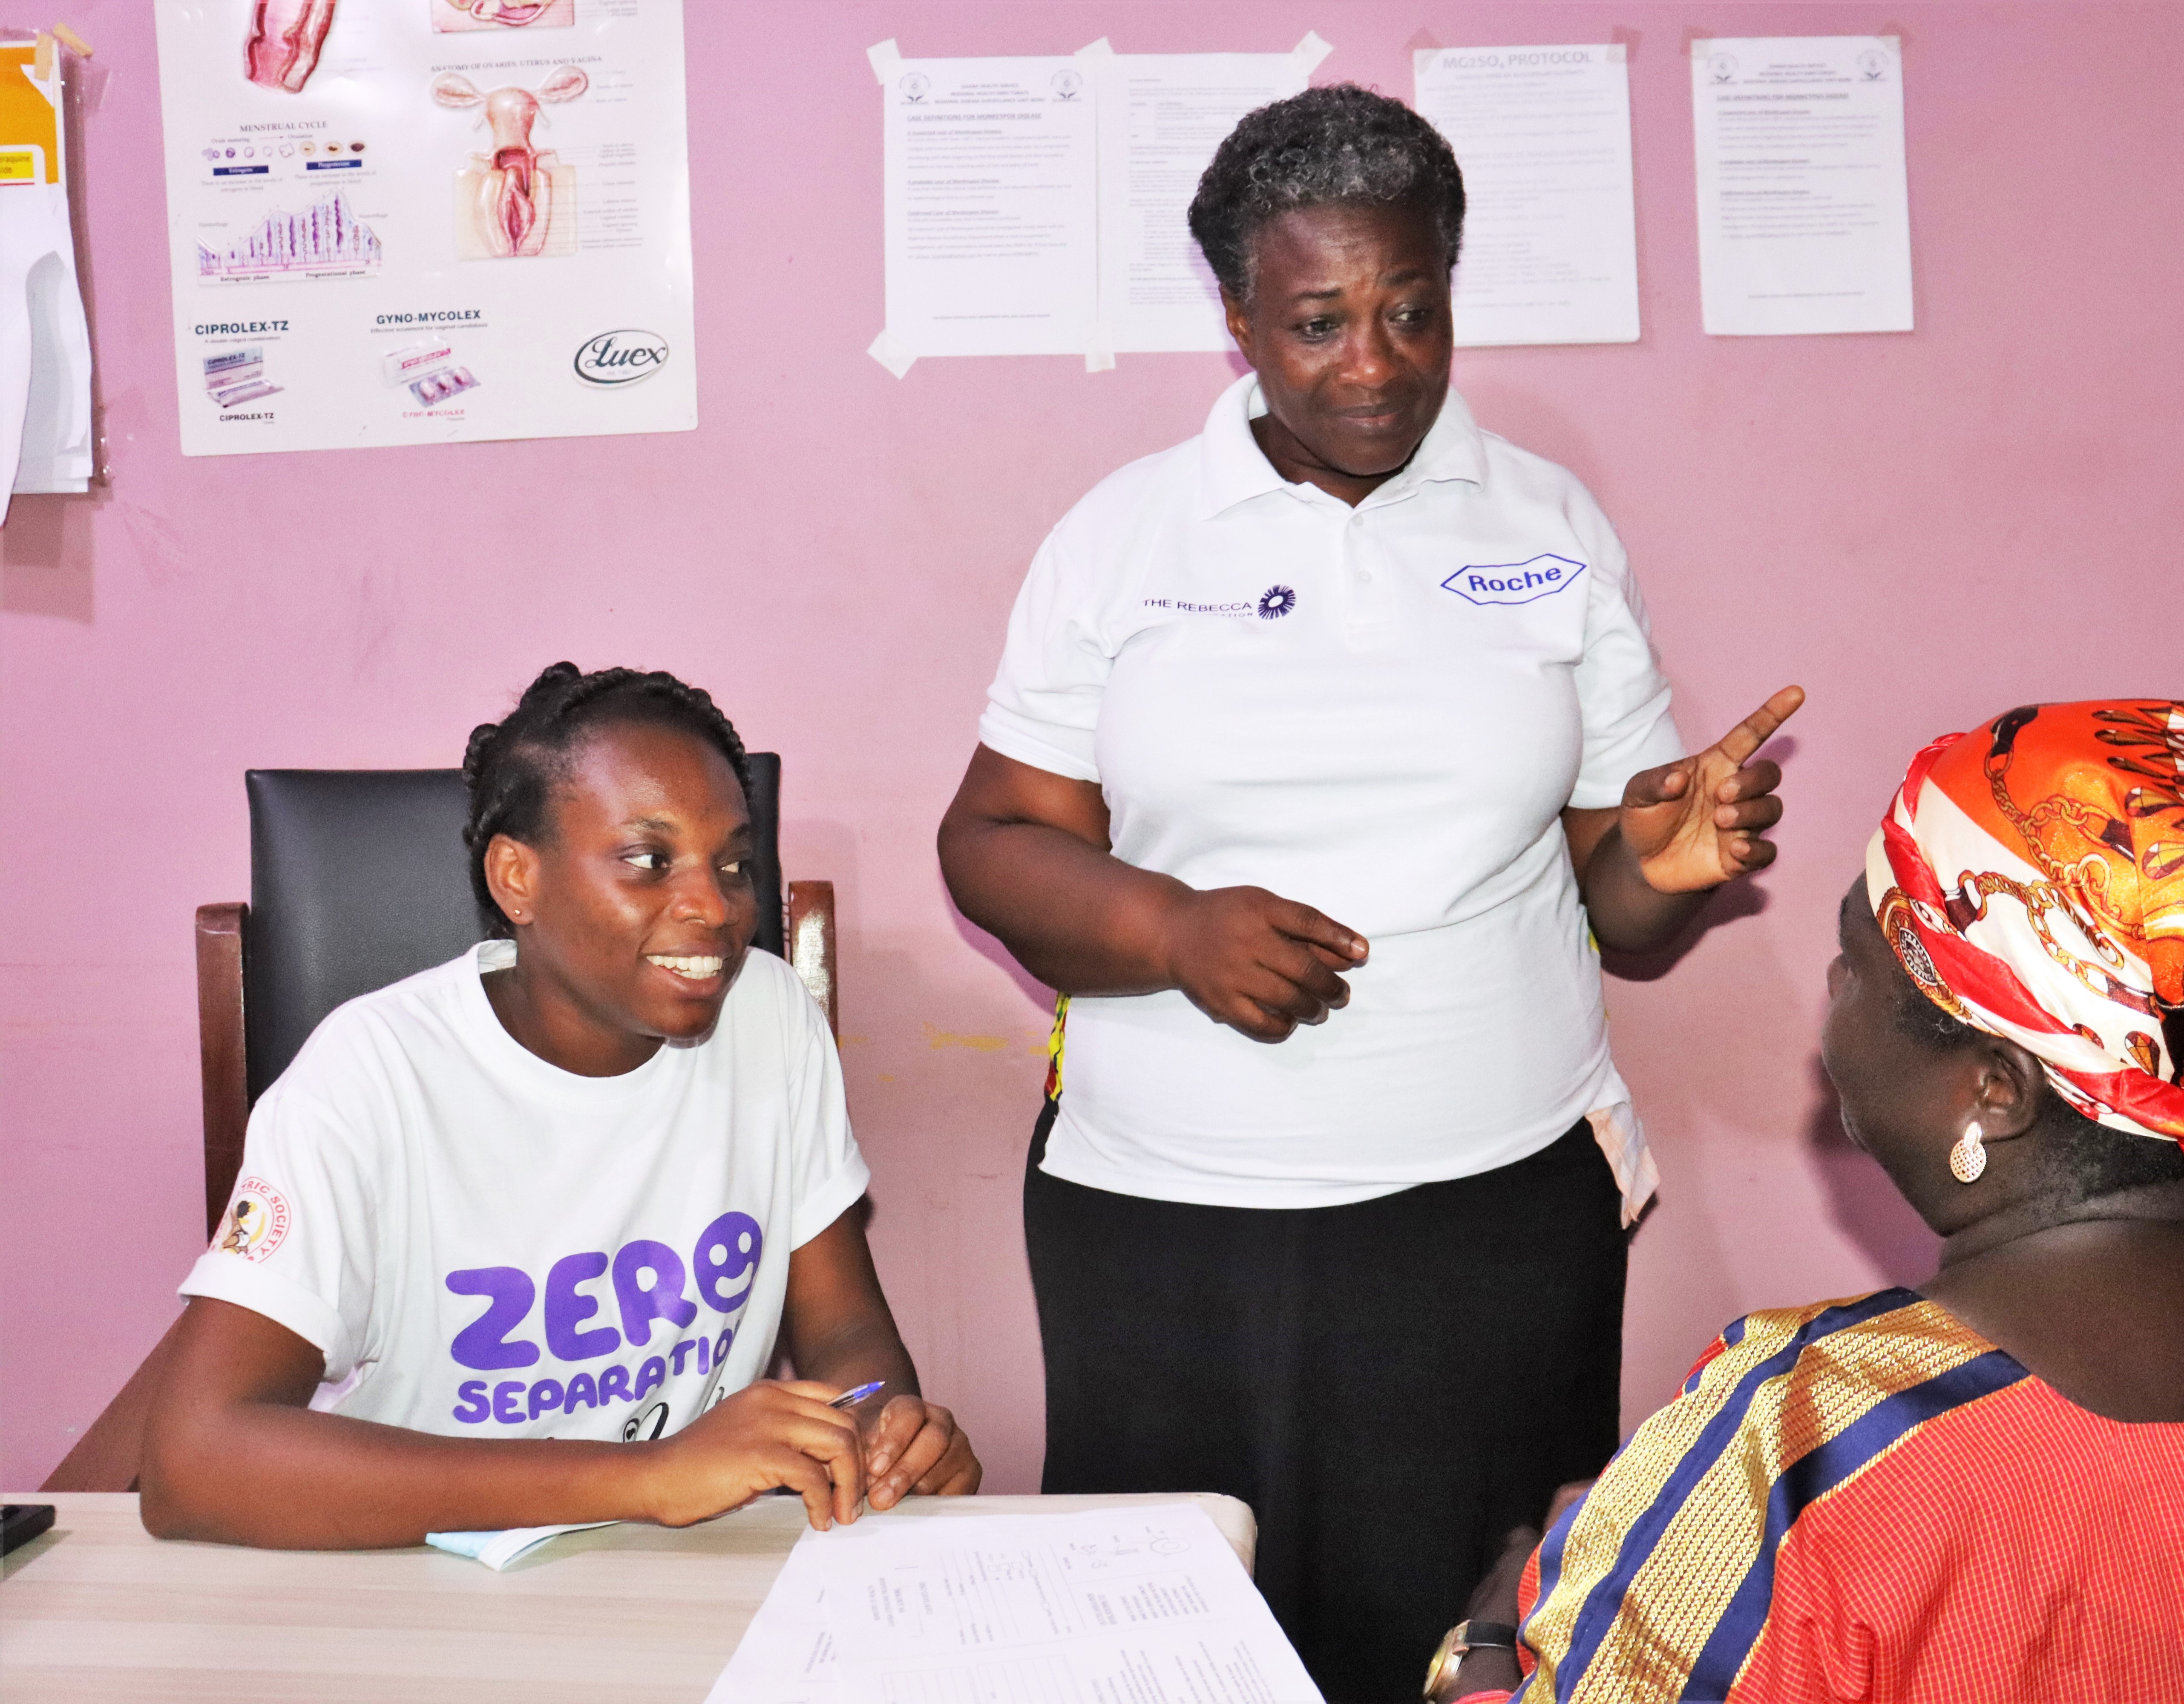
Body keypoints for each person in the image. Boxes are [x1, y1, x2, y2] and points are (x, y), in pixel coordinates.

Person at [936, 85, 1799, 1693]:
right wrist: (1171, 932)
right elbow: (989, 842)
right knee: (1182, 1652)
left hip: (1491, 1219)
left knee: (1474, 1639)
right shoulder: (1122, 539)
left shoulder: (1551, 527)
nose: (1377, 362)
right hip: (1167, 1228)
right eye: (1320, 321)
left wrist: (1668, 866)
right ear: (1242, 323)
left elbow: (1621, 900)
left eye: (1412, 310)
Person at [1425, 699, 2184, 1704]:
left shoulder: (1806, 1443)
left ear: (1993, 1088)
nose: (1831, 998)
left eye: (1857, 965)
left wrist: (1479, 1655)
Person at [143, 663, 980, 1546]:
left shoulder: (768, 1018)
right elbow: (193, 1458)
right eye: (648, 860)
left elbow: (845, 1325)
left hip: (682, 1566)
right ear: (517, 879)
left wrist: (876, 1432)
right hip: (413, 1575)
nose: (712, 904)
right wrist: (651, 1477)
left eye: (733, 862)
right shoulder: (370, 1077)